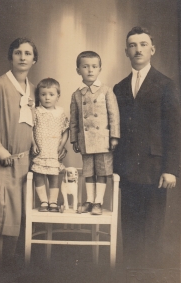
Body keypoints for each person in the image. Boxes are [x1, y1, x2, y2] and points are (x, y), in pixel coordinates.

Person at [113, 27, 180, 269]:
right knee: (129, 229)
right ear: (126, 51)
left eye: (143, 44)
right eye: (132, 45)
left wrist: (171, 169)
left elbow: (174, 130)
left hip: (155, 170)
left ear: (152, 49)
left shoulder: (165, 84)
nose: (138, 49)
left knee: (152, 231)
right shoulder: (119, 88)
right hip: (127, 170)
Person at [0, 37, 38, 269]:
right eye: (17, 53)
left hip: (24, 163)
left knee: (16, 217)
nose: (22, 57)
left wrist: (34, 143)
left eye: (27, 53)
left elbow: (30, 124)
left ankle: (8, 270)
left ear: (34, 60)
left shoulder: (33, 90)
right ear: (10, 57)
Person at [70, 51, 120, 215]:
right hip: (85, 139)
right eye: (85, 67)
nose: (90, 70)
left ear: (99, 69)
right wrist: (74, 139)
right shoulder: (77, 94)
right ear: (78, 70)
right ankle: (89, 200)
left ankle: (98, 201)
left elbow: (114, 115)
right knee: (88, 171)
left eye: (94, 66)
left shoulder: (106, 90)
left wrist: (114, 136)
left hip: (103, 140)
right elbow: (74, 120)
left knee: (103, 171)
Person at [31, 78, 69, 212]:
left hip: (54, 150)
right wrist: (33, 143)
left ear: (58, 96)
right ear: (39, 96)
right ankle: (43, 202)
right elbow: (30, 128)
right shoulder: (36, 111)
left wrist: (61, 146)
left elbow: (65, 131)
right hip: (41, 149)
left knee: (54, 176)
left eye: (51, 94)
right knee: (39, 174)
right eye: (43, 94)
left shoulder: (60, 113)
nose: (47, 98)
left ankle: (53, 202)